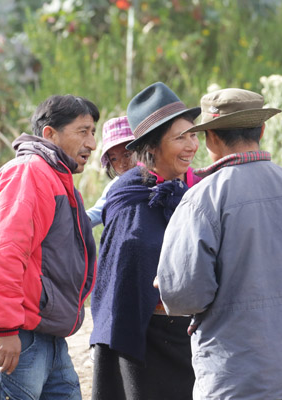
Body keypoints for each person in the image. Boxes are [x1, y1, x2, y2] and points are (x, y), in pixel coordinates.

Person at [156, 88, 282, 399]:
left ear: (209, 137)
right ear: (262, 130)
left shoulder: (201, 199)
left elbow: (185, 295)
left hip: (235, 379)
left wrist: (165, 282)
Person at [0, 94, 99, 399]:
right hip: (18, 333)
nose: (92, 143)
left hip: (45, 334)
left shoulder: (56, 178)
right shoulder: (29, 173)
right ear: (49, 133)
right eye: (82, 131)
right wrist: (4, 329)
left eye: (93, 132)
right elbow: (2, 253)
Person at [89, 82, 200, 400]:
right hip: (142, 335)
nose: (192, 145)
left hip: (188, 335)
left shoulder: (194, 189)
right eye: (180, 138)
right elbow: (127, 263)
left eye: (193, 135)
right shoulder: (129, 194)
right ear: (152, 145)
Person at [86, 115, 136, 227]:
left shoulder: (156, 178)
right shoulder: (115, 187)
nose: (122, 163)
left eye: (127, 155)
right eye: (114, 159)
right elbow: (96, 213)